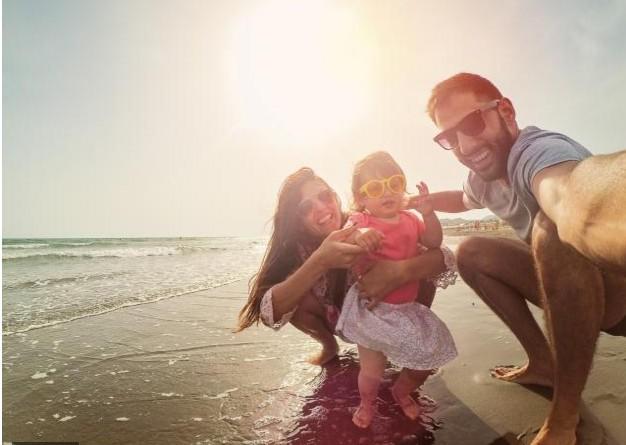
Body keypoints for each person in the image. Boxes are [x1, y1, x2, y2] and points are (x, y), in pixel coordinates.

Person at [418, 72, 626, 445]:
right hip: (575, 293)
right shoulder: (481, 176)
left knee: (552, 229)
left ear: (506, 111)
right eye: (449, 137)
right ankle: (543, 364)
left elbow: (568, 192)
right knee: (472, 252)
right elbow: (463, 200)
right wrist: (428, 202)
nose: (464, 145)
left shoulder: (538, 152)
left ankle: (564, 419)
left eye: (472, 123)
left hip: (618, 297)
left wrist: (596, 210)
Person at [236, 167, 457, 367]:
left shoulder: (363, 221)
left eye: (325, 197)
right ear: (296, 220)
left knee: (419, 258)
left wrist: (399, 271)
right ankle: (329, 345)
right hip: (339, 319)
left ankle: (414, 335)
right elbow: (268, 311)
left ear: (336, 197)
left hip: (391, 311)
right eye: (306, 208)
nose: (323, 209)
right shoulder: (295, 248)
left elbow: (445, 256)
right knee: (295, 292)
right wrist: (320, 261)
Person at [335, 151, 457, 428]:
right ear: (362, 198)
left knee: (425, 359)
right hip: (372, 310)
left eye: (394, 182)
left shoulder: (411, 218)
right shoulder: (362, 220)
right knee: (372, 369)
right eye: (375, 188)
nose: (386, 191)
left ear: (403, 186)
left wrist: (429, 213)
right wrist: (361, 236)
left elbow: (434, 241)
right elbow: (349, 233)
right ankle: (367, 402)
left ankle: (401, 390)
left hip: (406, 309)